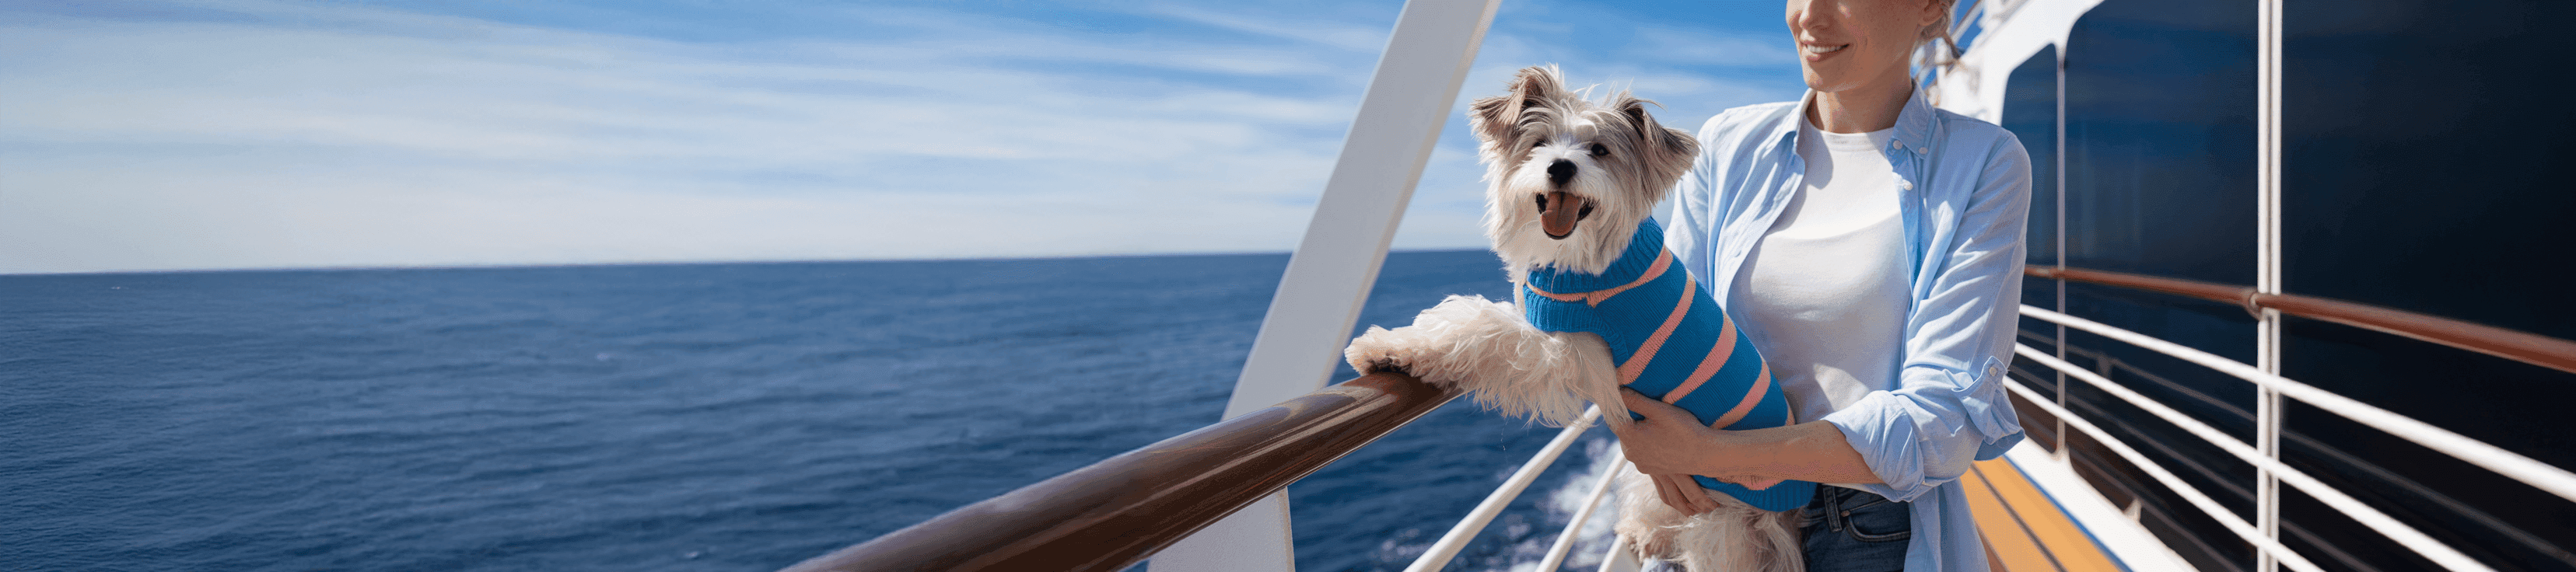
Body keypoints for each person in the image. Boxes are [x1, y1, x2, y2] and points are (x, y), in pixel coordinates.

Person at [1603, 0, 2032, 570]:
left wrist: (1714, 453)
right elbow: (1664, 325)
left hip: (1864, 526)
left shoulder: (1984, 162)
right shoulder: (1729, 144)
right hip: (1716, 511)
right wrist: (1654, 443)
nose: (1809, 16)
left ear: (1930, 6)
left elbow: (1943, 421)